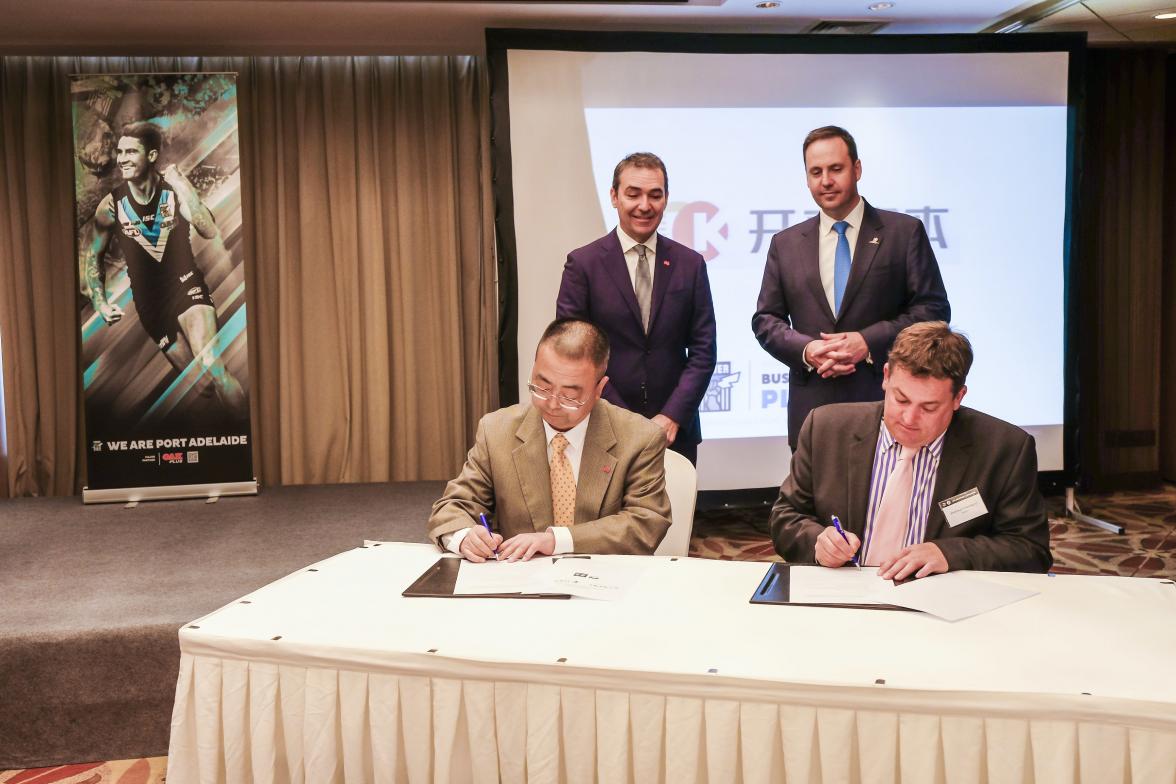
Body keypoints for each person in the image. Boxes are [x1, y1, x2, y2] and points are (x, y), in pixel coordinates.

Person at [769, 321, 1052, 578]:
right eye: (901, 399)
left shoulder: (1004, 449)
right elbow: (787, 516)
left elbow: (1030, 550)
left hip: (942, 606)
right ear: (886, 376)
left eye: (929, 407)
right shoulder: (828, 428)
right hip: (844, 596)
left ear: (958, 397)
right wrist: (818, 542)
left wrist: (949, 554)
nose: (909, 419)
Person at [752, 126, 950, 450]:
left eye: (835, 169)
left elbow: (934, 311)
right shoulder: (785, 244)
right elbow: (765, 320)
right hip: (811, 410)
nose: (826, 180)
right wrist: (807, 350)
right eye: (815, 172)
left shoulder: (903, 232)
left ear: (857, 169)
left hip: (885, 404)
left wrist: (866, 342)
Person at [428, 318, 671, 562]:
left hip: (604, 582)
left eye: (570, 396)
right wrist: (465, 536)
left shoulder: (641, 437)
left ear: (599, 389)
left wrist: (558, 540)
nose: (552, 404)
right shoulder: (496, 431)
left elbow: (646, 524)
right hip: (520, 584)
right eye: (542, 387)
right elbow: (453, 506)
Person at [557, 152, 716, 465]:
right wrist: (627, 422)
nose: (645, 205)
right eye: (633, 194)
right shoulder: (583, 265)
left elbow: (703, 350)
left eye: (655, 195)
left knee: (675, 514)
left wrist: (671, 416)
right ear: (615, 197)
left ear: (666, 199)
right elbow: (574, 353)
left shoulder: (690, 264)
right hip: (603, 429)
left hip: (674, 433)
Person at [81, 121, 246, 416]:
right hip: (151, 307)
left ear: (152, 156)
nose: (123, 158)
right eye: (120, 152)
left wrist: (185, 187)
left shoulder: (173, 190)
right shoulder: (111, 206)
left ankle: (249, 442)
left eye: (132, 151)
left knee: (212, 364)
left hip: (186, 285)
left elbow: (208, 230)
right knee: (203, 385)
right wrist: (100, 302)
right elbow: (93, 256)